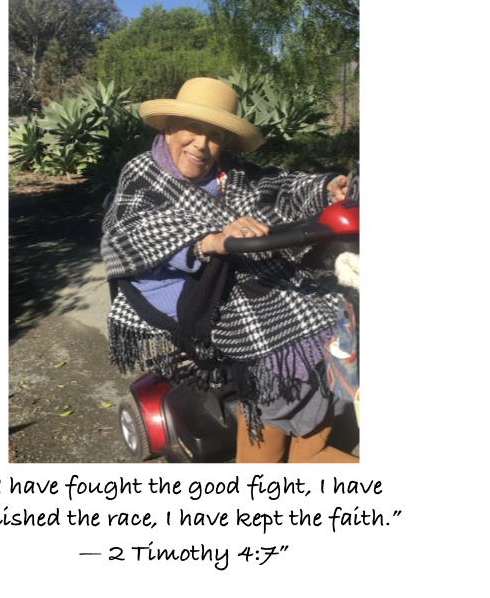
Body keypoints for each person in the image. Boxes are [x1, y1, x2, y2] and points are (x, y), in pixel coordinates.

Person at [101, 77, 358, 463]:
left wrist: (325, 189)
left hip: (241, 266)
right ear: (169, 128)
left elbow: (281, 185)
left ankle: (309, 435)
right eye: (193, 129)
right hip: (182, 283)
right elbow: (129, 232)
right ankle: (272, 426)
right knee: (277, 343)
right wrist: (208, 240)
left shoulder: (232, 172)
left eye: (215, 136)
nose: (201, 145)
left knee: (334, 310)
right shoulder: (143, 174)